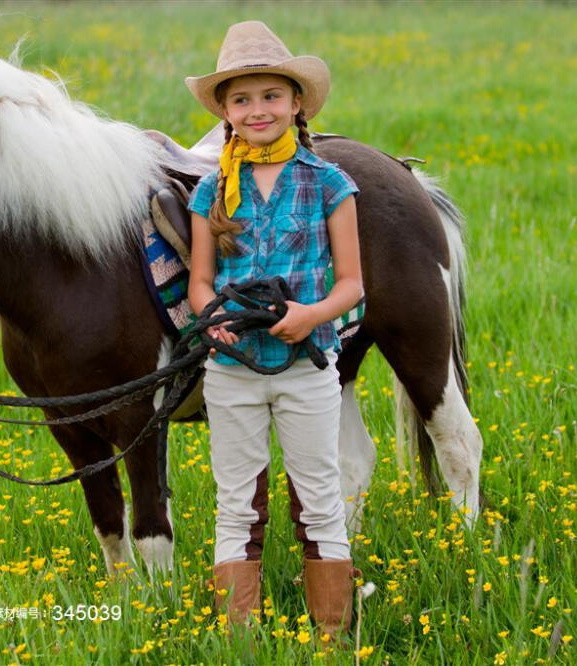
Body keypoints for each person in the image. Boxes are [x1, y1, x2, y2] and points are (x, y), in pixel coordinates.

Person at [185, 20, 364, 639]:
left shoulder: (328, 184)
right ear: (226, 113)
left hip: (307, 363)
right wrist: (214, 321)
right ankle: (239, 634)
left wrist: (311, 315)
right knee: (236, 500)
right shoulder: (211, 190)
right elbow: (201, 283)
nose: (257, 110)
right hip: (232, 370)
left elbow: (351, 285)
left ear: (295, 103)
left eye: (269, 96)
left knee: (319, 493)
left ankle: (331, 633)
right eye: (241, 99)